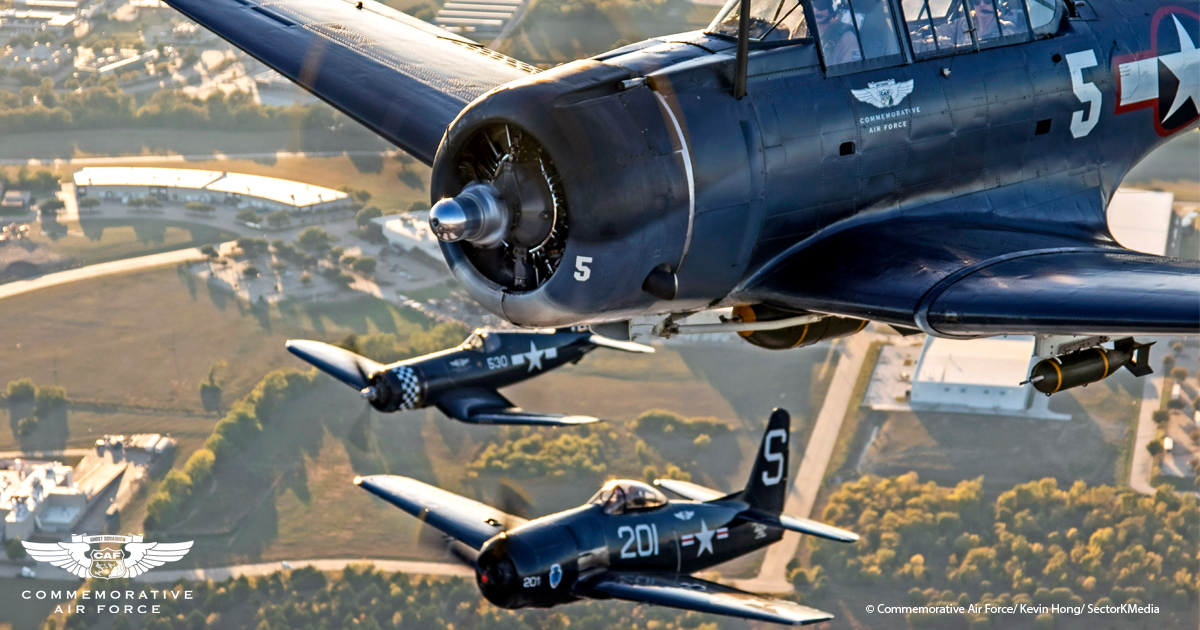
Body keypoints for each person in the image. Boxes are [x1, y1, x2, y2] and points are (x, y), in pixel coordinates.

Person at [812, 0, 862, 64]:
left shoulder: (848, 39)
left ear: (832, 8)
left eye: (821, 5)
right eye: (812, 4)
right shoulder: (805, 32)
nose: (815, 9)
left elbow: (853, 69)